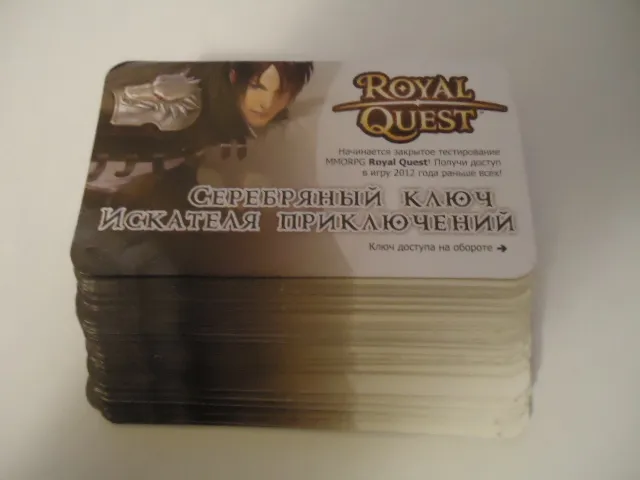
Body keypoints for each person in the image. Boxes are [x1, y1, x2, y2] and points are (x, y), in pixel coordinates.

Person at [85, 61, 314, 195]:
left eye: (281, 93)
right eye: (257, 87)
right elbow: (96, 107)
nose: (266, 103)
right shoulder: (185, 105)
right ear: (235, 78)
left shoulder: (240, 120)